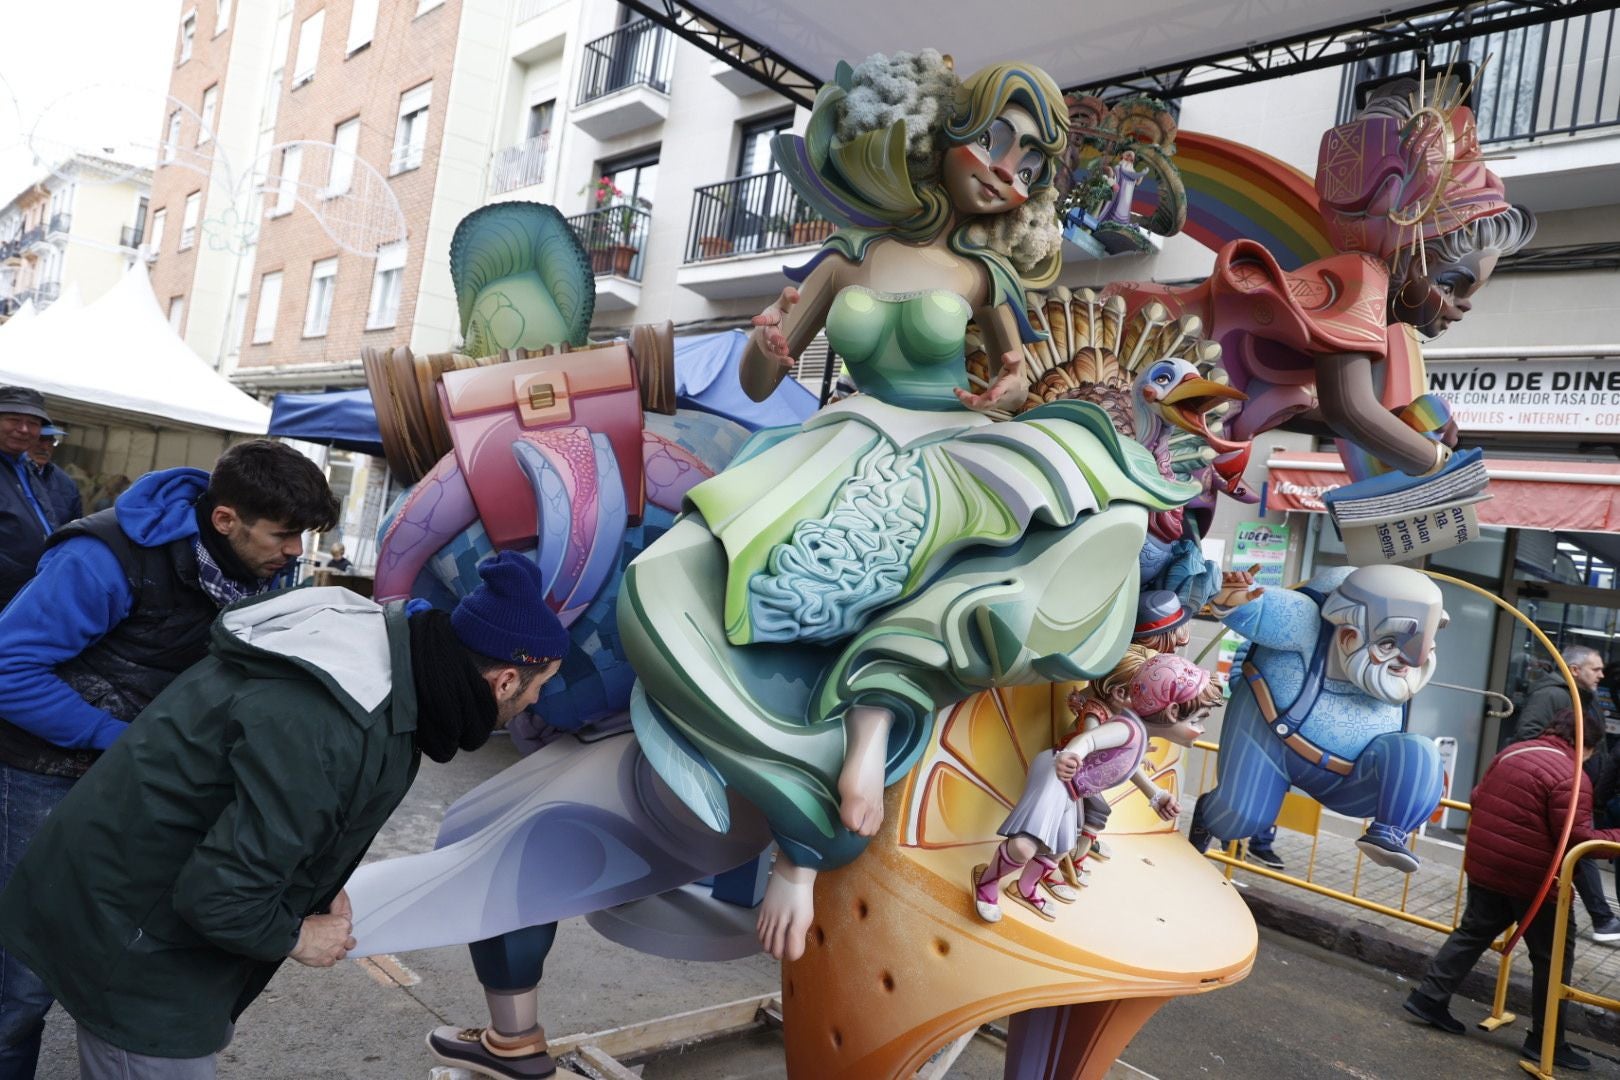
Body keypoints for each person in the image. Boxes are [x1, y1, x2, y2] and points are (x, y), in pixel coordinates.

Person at [0, 551, 567, 1078]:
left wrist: (319, 888)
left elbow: (276, 814)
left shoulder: (390, 669)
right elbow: (220, 897)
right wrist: (298, 935)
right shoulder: (335, 723)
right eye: (542, 686)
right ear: (506, 680)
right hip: (135, 945)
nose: (539, 702)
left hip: (126, 896)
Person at [0, 439, 337, 1077]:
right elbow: (7, 668)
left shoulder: (264, 564)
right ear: (224, 520)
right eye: (285, 535)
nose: (296, 552)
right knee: (22, 977)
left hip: (142, 782)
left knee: (119, 955)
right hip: (45, 775)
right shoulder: (103, 559)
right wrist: (115, 739)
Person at [1403, 709, 1619, 1072]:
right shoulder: (1573, 776)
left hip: (1487, 864)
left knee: (1472, 932)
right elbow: (1579, 838)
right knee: (1552, 959)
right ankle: (1546, 1040)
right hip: (1532, 879)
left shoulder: (1513, 752)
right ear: (1587, 745)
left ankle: (1429, 997)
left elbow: (1477, 795)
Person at [0, 385, 58, 610]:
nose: (23, 429)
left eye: (33, 424)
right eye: (14, 420)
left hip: (28, 593)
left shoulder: (27, 468)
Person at [27, 424, 82, 525]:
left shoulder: (67, 485)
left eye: (51, 442)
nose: (45, 447)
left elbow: (75, 528)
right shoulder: (8, 474)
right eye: (40, 439)